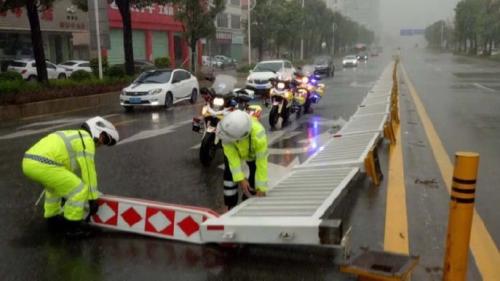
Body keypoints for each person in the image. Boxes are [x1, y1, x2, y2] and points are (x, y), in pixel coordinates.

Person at [22, 116, 119, 236]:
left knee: (55, 189)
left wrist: (66, 191)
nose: (101, 143)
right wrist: (92, 197)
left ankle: (52, 219)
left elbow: (64, 165)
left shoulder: (75, 135)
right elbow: (89, 170)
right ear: (97, 130)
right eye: (105, 139)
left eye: (106, 142)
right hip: (43, 163)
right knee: (79, 190)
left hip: (30, 161)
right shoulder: (86, 140)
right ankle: (73, 226)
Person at [216, 110, 268, 211]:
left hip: (252, 155)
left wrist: (261, 189)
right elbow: (232, 159)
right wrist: (241, 179)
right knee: (229, 175)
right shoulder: (226, 133)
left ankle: (248, 202)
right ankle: (230, 205)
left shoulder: (258, 134)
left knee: (254, 179)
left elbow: (261, 163)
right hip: (236, 150)